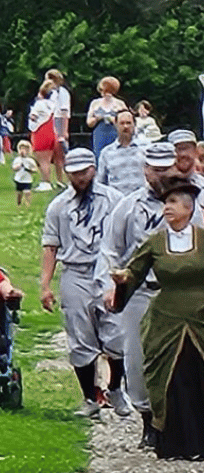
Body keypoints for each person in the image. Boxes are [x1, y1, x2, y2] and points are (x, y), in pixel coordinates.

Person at [110, 179, 204, 460]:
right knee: (169, 377)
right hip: (166, 318)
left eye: (172, 202)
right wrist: (123, 280)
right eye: (165, 203)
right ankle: (174, 443)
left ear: (188, 208)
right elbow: (135, 271)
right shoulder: (155, 242)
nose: (166, 208)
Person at [98, 142, 192, 448]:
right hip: (139, 290)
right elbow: (110, 249)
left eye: (166, 169)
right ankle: (147, 419)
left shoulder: (189, 205)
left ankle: (177, 421)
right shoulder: (128, 207)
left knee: (179, 357)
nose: (160, 175)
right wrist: (110, 285)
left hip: (176, 290)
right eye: (155, 169)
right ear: (145, 169)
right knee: (137, 358)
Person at [40, 148, 129, 418]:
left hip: (107, 271)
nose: (80, 178)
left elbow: (126, 238)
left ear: (94, 170)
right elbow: (50, 246)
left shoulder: (114, 200)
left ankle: (115, 387)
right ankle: (90, 397)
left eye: (84, 172)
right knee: (79, 336)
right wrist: (45, 285)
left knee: (117, 333)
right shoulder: (58, 206)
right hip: (75, 271)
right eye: (74, 173)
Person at [96, 108, 147, 196]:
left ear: (134, 125)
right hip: (116, 200)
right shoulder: (106, 153)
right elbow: (100, 182)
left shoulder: (145, 149)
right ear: (116, 125)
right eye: (122, 123)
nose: (125, 126)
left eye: (128, 123)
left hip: (141, 199)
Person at [168, 129, 204, 220]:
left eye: (187, 148)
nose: (183, 154)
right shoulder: (160, 188)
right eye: (178, 149)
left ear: (196, 152)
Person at [29, 80, 58, 192]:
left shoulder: (39, 104)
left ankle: (45, 183)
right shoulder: (52, 104)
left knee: (42, 160)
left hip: (40, 131)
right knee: (47, 159)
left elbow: (33, 116)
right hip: (51, 131)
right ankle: (47, 181)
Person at [87, 76, 127, 158]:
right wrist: (97, 118)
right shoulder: (95, 103)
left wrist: (113, 119)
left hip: (115, 133)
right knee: (99, 156)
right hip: (99, 134)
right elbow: (89, 123)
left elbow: (126, 122)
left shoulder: (120, 104)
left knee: (116, 156)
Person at [46, 69, 71, 182]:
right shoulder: (48, 93)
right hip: (49, 120)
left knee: (61, 152)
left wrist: (64, 130)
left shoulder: (62, 92)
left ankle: (66, 178)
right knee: (53, 153)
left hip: (59, 120)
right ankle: (58, 179)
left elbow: (64, 111)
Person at [12, 140, 38, 207]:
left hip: (27, 179)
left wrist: (30, 170)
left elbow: (35, 169)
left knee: (27, 192)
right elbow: (13, 168)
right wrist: (17, 167)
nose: (23, 151)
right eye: (21, 149)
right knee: (19, 192)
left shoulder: (30, 160)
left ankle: (28, 204)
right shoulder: (17, 159)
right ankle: (19, 203)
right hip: (19, 178)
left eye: (25, 149)